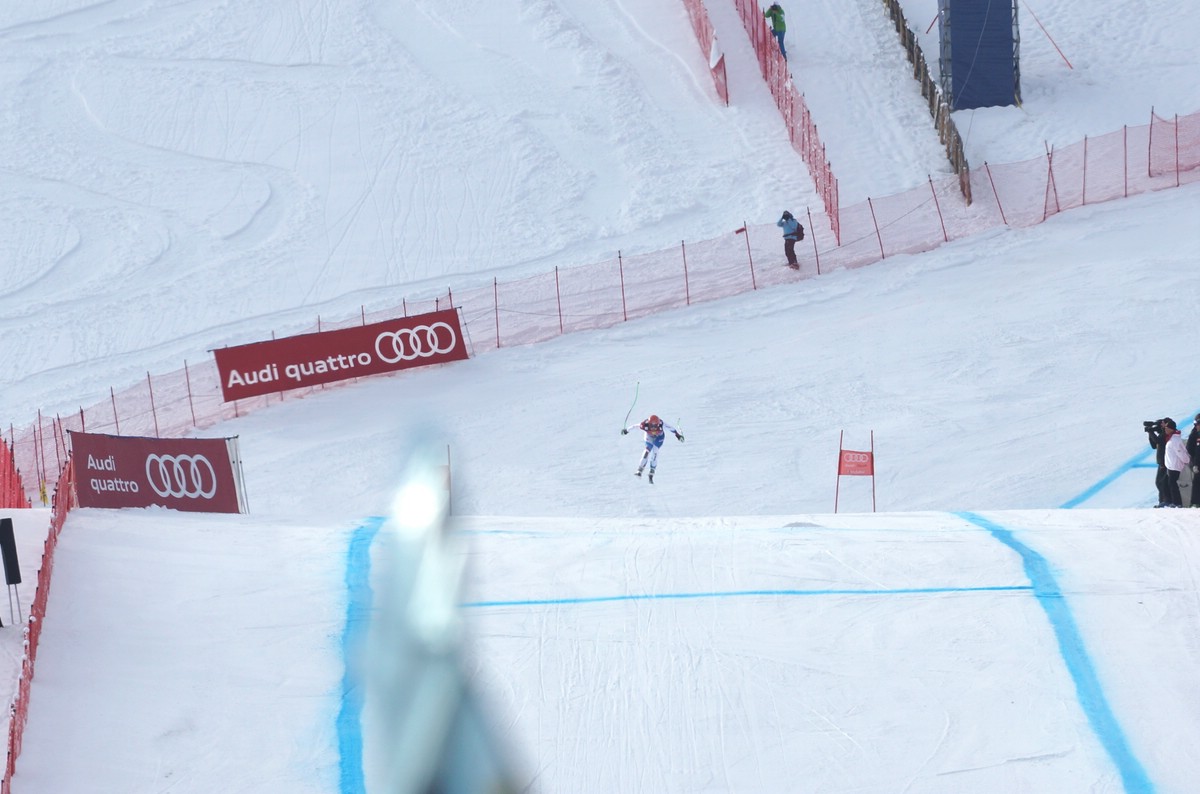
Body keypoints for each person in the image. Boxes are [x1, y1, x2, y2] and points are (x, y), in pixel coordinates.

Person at [621, 414, 684, 483]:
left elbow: (671, 428)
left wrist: (678, 436)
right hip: (649, 436)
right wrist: (626, 430)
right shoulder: (644, 424)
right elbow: (635, 426)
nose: (653, 428)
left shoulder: (661, 424)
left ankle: (652, 469)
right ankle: (640, 469)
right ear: (649, 424)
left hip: (659, 437)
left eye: (655, 426)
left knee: (655, 451)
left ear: (658, 424)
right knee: (646, 451)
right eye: (652, 426)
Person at [1163, 417, 1190, 507]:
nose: (1165, 429)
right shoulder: (1171, 438)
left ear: (1171, 429)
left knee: (1173, 484)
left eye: (1167, 428)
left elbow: (1180, 452)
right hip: (1171, 465)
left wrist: (1186, 460)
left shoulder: (1174, 440)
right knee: (1171, 484)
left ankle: (1177, 503)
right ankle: (1174, 502)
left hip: (1175, 466)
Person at [1146, 418, 1171, 507]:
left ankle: (1166, 501)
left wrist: (1151, 431)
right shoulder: (1161, 434)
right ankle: (1162, 501)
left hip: (1165, 462)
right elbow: (1154, 445)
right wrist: (1150, 433)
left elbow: (1158, 441)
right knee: (1160, 482)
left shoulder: (1166, 434)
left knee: (1162, 482)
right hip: (1161, 462)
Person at [1187, 414, 1200, 506]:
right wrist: (1195, 462)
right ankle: (1195, 502)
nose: (1196, 426)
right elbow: (1191, 449)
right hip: (1197, 461)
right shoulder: (1194, 433)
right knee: (1196, 482)